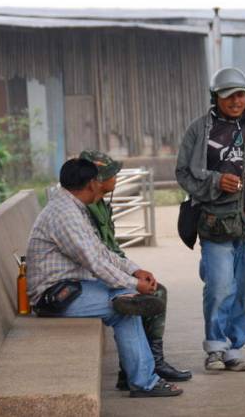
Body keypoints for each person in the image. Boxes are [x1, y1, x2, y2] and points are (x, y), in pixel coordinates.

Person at [26, 158, 183, 397]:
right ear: (91, 184)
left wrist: (134, 270)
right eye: (99, 181)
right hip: (56, 296)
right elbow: (94, 262)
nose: (101, 185)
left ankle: (139, 377)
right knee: (126, 307)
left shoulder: (70, 207)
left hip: (73, 288)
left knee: (127, 301)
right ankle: (143, 382)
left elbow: (100, 251)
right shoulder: (64, 215)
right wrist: (134, 285)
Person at [176, 67, 245, 371]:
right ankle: (215, 346)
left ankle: (234, 347)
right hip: (215, 221)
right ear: (216, 98)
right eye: (229, 96)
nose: (237, 101)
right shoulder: (199, 130)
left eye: (241, 94)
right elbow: (182, 172)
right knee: (220, 287)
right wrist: (214, 181)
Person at [79, 150, 192, 388]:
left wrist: (134, 270)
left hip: (106, 267)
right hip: (91, 275)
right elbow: (95, 259)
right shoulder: (84, 208)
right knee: (144, 296)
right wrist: (130, 281)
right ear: (96, 181)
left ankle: (149, 363)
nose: (116, 177)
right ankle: (141, 368)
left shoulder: (99, 204)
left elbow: (109, 250)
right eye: (111, 174)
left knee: (149, 291)